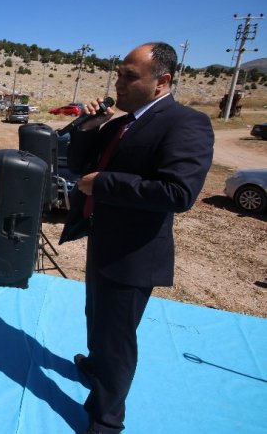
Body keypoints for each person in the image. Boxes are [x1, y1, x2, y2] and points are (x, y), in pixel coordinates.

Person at [59, 43, 214, 434]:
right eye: (119, 75)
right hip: (103, 241)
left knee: (118, 338)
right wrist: (88, 126)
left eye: (130, 77)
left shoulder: (186, 123)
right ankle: (95, 367)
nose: (119, 84)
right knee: (96, 318)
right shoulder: (117, 123)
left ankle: (106, 420)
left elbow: (179, 193)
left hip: (135, 254)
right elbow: (79, 166)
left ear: (162, 81)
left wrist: (104, 184)